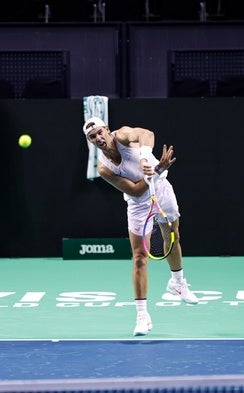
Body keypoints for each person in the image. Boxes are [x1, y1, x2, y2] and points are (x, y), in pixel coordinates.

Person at [82, 116, 198, 337]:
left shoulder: (123, 135)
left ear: (107, 129)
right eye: (92, 137)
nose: (98, 138)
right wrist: (156, 170)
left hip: (161, 189)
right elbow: (135, 190)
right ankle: (142, 316)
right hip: (137, 203)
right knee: (139, 257)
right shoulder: (104, 169)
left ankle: (178, 283)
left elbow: (147, 134)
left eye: (99, 132)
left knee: (172, 236)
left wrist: (146, 156)